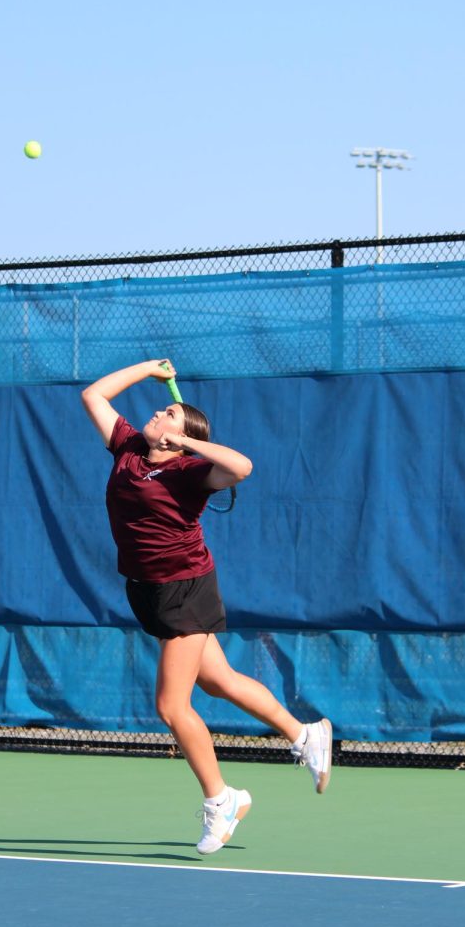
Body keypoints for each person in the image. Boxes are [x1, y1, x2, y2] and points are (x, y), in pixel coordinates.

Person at [81, 358, 332, 855]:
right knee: (217, 680)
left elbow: (242, 467)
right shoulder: (128, 447)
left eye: (169, 413)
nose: (158, 413)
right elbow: (93, 396)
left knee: (172, 706)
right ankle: (305, 734)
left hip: (185, 588)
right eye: (162, 409)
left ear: (182, 433)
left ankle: (223, 800)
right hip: (146, 588)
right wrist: (148, 369)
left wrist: (186, 441)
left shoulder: (191, 474)